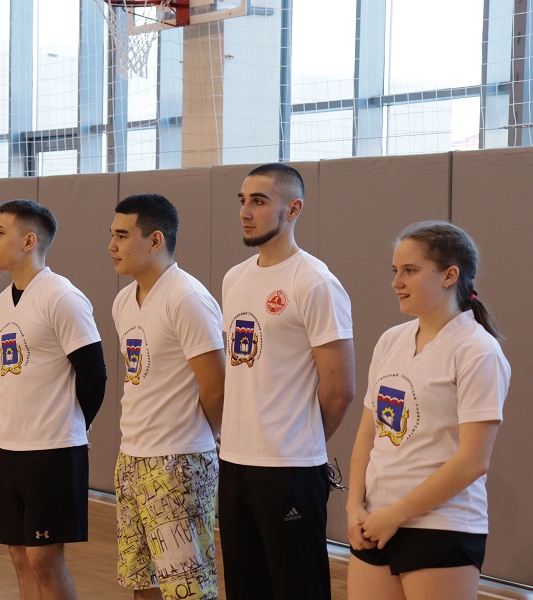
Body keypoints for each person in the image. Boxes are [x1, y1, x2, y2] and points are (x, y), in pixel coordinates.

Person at [346, 221, 510, 600]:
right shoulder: (391, 341)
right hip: (375, 520)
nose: (396, 282)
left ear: (450, 276)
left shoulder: (477, 351)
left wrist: (397, 513)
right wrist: (355, 505)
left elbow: (473, 461)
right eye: (395, 270)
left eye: (410, 270)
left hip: (442, 526)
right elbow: (368, 434)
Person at [218, 163, 355, 600]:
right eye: (242, 200)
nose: (245, 211)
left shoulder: (315, 282)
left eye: (259, 201)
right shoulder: (234, 278)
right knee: (245, 589)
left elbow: (340, 389)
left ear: (293, 209)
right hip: (234, 463)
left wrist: (301, 440)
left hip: (290, 468)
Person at [0, 200, 106, 600]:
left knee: (43, 559)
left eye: (0, 232)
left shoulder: (62, 296)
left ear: (29, 241)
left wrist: (75, 425)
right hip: (10, 447)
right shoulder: (2, 301)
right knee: (19, 555)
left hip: (53, 450)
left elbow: (94, 374)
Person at [108, 194, 225, 600]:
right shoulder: (123, 300)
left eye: (123, 236)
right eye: (112, 235)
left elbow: (216, 385)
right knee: (142, 582)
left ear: (155, 240)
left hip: (179, 460)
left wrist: (201, 439)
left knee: (187, 589)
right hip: (131, 457)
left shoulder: (187, 297)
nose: (112, 246)